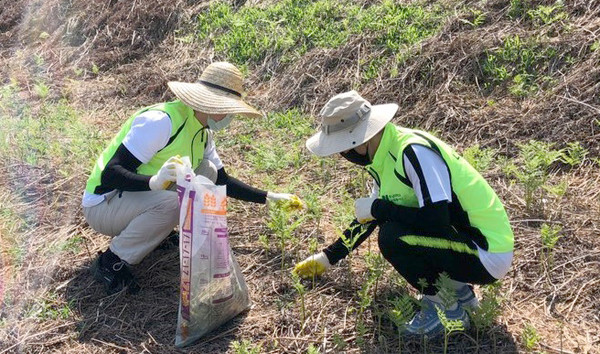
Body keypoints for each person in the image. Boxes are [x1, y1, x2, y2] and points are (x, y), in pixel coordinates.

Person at [294, 91, 514, 336]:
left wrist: (378, 208)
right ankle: (459, 294)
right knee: (395, 227)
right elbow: (369, 218)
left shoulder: (413, 152)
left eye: (342, 149)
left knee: (392, 237)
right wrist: (327, 257)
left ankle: (447, 311)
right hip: (465, 244)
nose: (342, 155)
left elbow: (435, 220)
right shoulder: (382, 157)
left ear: (359, 141)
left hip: (486, 252)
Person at [83, 62, 299, 295]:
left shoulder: (203, 131)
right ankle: (112, 261)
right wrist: (154, 182)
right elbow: (111, 175)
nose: (229, 116)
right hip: (104, 205)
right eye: (227, 109)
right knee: (173, 204)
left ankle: (156, 232)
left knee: (207, 172)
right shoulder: (161, 122)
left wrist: (268, 197)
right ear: (210, 104)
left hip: (135, 199)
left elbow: (221, 180)